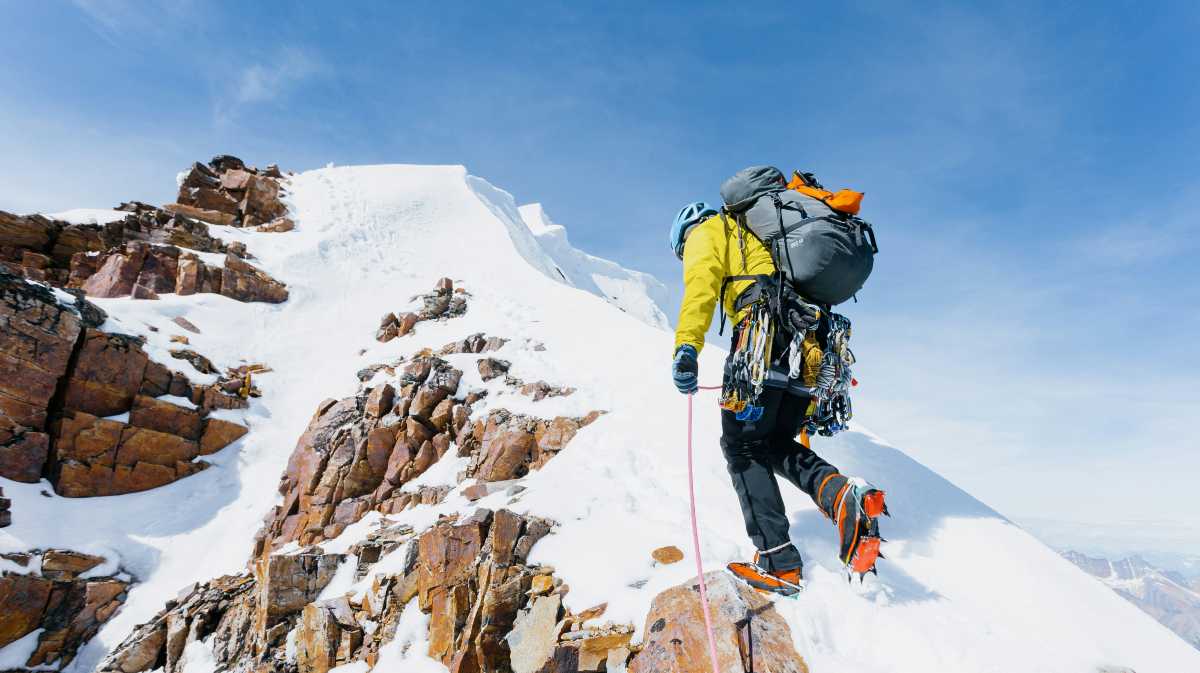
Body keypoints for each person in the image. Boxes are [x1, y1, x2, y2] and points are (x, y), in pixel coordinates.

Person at [669, 186, 885, 596]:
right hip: (811, 343)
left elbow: (701, 286)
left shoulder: (707, 231)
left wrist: (686, 347)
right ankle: (841, 494)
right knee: (771, 442)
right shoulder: (761, 233)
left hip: (762, 336)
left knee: (743, 447)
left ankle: (778, 561)